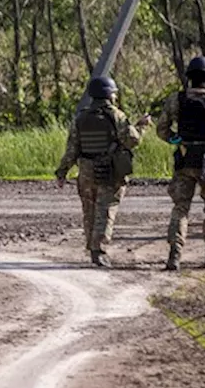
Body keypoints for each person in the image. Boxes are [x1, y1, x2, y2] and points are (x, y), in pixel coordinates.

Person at [55, 76, 151, 268]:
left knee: (89, 211)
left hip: (86, 172)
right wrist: (141, 126)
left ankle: (92, 249)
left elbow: (72, 149)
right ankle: (99, 251)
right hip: (109, 170)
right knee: (106, 210)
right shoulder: (116, 116)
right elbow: (132, 140)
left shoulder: (80, 117)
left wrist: (62, 172)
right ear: (109, 94)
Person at [156, 55, 205, 270]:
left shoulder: (175, 100)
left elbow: (162, 129)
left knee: (180, 208)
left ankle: (174, 255)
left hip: (184, 157)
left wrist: (176, 139)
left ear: (189, 77)